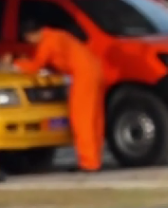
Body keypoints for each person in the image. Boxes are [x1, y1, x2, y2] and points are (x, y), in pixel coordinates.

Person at [2, 21, 106, 173]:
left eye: (29, 40)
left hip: (83, 75)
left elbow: (35, 66)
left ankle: (89, 163)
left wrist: (14, 64)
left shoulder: (47, 42)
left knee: (81, 118)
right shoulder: (57, 35)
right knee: (95, 118)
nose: (31, 43)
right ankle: (95, 160)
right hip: (96, 70)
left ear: (31, 35)